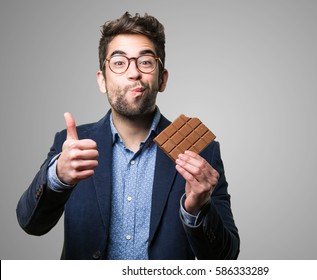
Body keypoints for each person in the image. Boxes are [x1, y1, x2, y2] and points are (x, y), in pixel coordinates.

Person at [16, 12, 239, 260]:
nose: (134, 73)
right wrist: (57, 176)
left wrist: (198, 208)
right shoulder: (72, 147)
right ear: (102, 80)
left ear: (162, 79)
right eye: (119, 62)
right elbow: (31, 224)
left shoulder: (202, 153)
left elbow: (226, 258)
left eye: (145, 62)